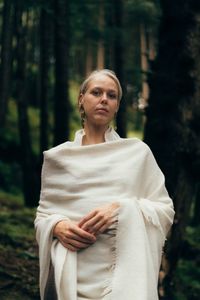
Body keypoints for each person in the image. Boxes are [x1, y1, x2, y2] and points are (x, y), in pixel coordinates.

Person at [34, 69, 175, 300]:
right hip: (72, 276)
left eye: (112, 96)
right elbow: (42, 217)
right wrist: (56, 226)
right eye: (96, 92)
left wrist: (122, 208)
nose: (103, 100)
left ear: (117, 105)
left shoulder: (137, 153)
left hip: (123, 277)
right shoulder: (58, 158)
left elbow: (165, 210)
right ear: (82, 99)